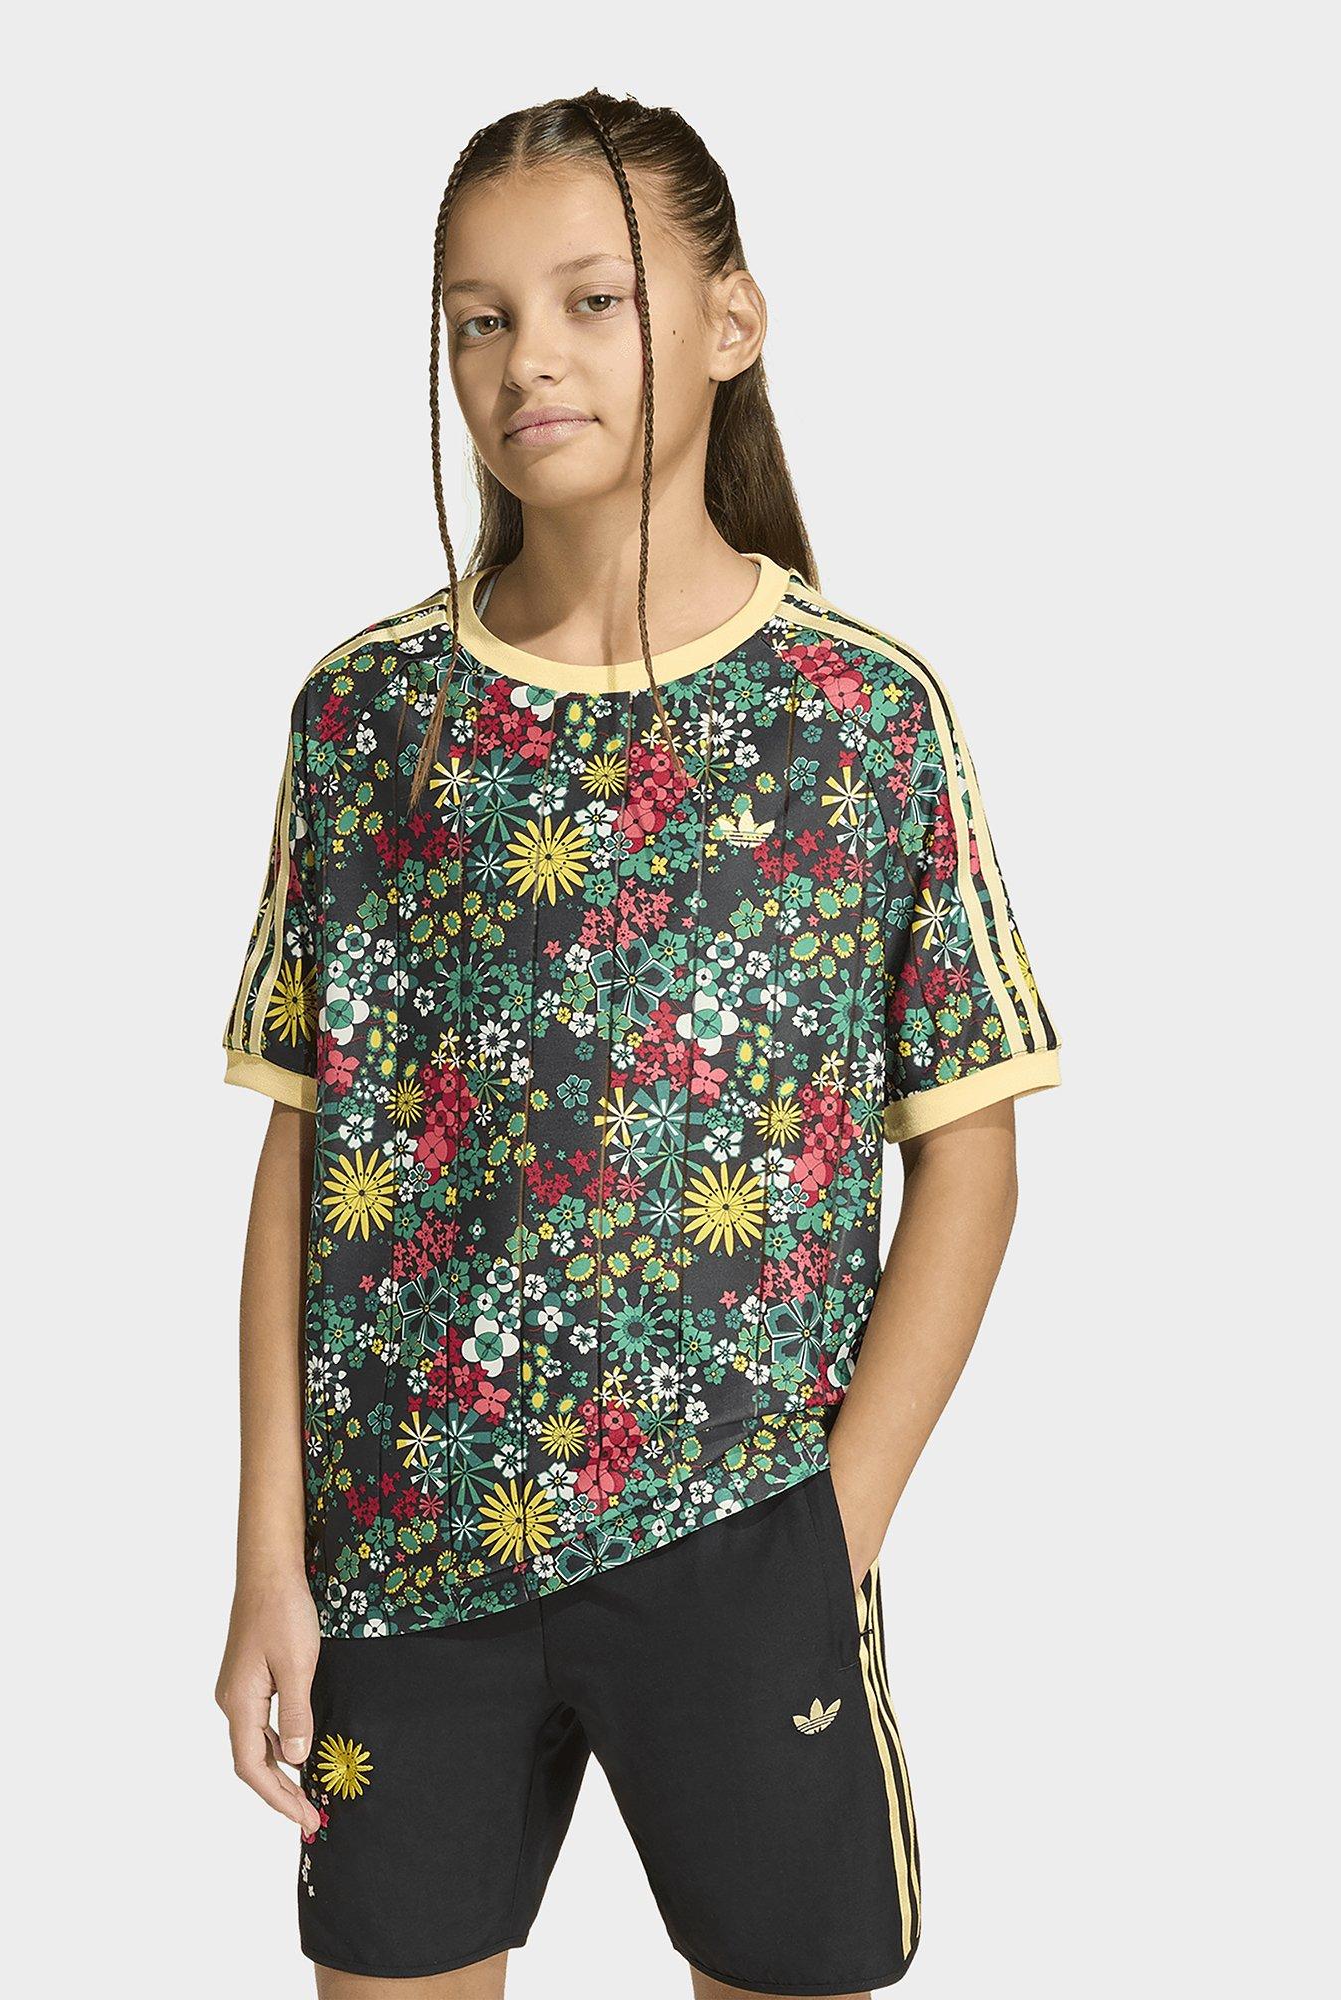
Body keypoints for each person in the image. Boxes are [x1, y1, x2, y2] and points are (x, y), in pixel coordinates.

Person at [213, 87, 1061, 2000]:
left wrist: (827, 1536)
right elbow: (304, 1146)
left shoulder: (859, 715)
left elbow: (972, 1152)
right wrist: (271, 1555)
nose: (530, 359)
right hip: (404, 1550)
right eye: (480, 319)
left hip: (744, 1537)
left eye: (593, 301)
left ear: (731, 322)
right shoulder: (367, 718)